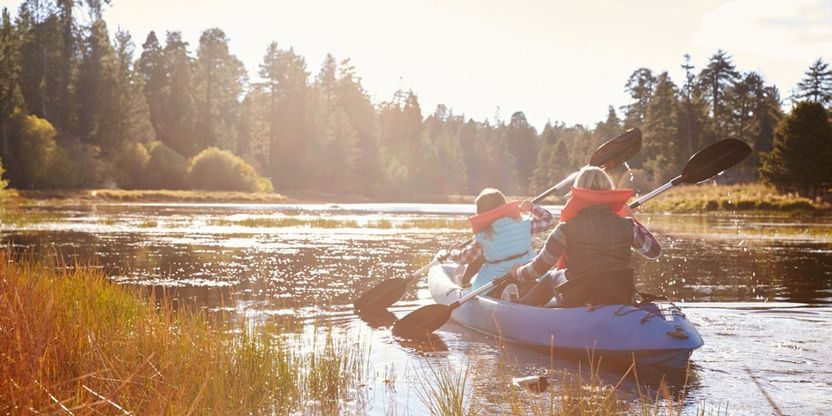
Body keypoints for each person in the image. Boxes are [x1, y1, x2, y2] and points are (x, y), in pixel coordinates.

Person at [509, 166, 661, 307]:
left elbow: (539, 267)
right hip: (620, 295)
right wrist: (632, 218)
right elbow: (654, 251)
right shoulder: (629, 225)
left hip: (580, 297)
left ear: (577, 191)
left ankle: (519, 305)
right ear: (609, 189)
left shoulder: (565, 229)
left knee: (550, 276)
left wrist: (518, 273)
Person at [435, 188, 554, 300]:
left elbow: (464, 259)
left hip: (497, 277)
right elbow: (548, 220)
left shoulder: (482, 236)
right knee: (528, 277)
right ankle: (525, 289)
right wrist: (532, 207)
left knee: (487, 286)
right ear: (504, 205)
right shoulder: (524, 224)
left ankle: (501, 292)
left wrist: (453, 251)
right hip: (527, 270)